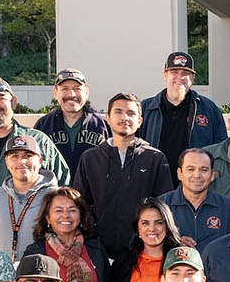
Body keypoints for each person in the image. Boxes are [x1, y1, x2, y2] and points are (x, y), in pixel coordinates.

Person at [74, 92, 174, 260]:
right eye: (118, 112)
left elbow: (164, 207)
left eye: (131, 113)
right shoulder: (90, 158)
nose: (124, 118)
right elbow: (80, 205)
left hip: (142, 253)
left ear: (140, 121)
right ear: (107, 118)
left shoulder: (155, 158)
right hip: (98, 251)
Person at [22, 188, 110, 282]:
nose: (66, 215)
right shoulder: (36, 253)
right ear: (47, 218)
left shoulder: (95, 250)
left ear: (81, 215)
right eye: (58, 210)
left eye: (72, 210)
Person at [140, 51, 227, 172]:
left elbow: (221, 149)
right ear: (165, 75)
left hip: (195, 182)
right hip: (154, 181)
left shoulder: (209, 109)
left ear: (192, 78)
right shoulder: (146, 108)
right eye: (174, 72)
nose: (179, 77)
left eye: (185, 73)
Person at [107, 198, 183, 282]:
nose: (152, 228)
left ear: (167, 226)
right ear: (138, 228)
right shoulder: (123, 262)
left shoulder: (179, 262)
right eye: (145, 223)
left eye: (159, 223)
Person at [0, 134, 62, 259]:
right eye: (15, 156)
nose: (22, 161)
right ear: (7, 162)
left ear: (40, 161)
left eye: (28, 156)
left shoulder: (57, 197)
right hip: (1, 275)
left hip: (42, 274)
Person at [156, 148, 230, 251]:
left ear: (212, 175)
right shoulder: (161, 206)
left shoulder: (229, 209)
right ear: (179, 173)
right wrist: (172, 242)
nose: (197, 175)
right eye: (190, 169)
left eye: (203, 170)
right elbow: (145, 242)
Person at [34, 68, 109, 173]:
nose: (71, 94)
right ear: (55, 92)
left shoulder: (104, 125)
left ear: (86, 92)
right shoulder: (43, 125)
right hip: (56, 189)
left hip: (94, 189)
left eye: (77, 88)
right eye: (65, 89)